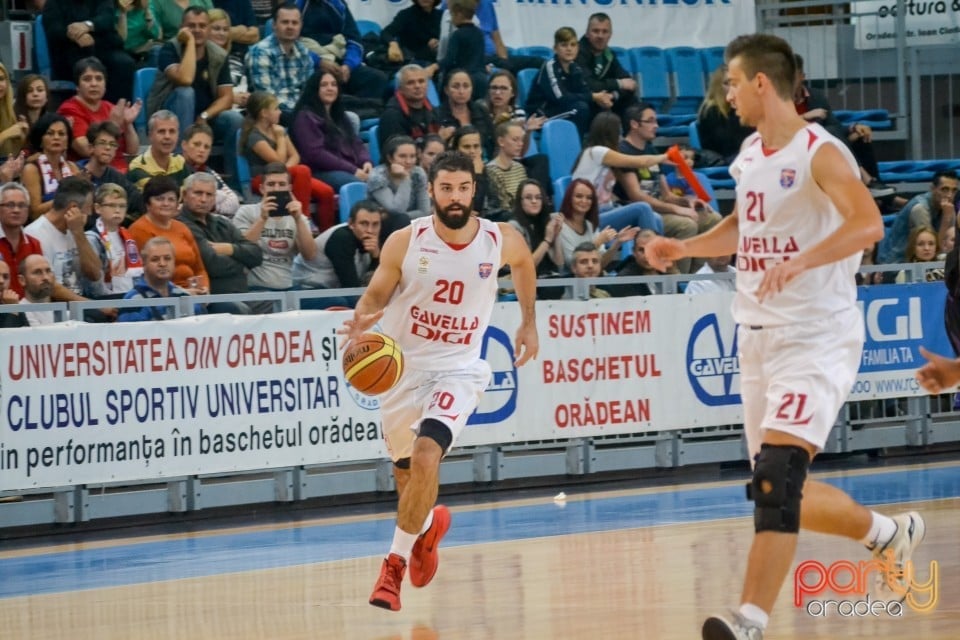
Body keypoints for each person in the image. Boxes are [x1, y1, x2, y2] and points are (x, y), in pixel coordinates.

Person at [644, 34, 924, 640]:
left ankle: (749, 621)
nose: (727, 93)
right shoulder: (750, 153)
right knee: (777, 487)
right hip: (757, 338)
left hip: (815, 335)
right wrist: (686, 246)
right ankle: (887, 533)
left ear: (761, 84)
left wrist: (802, 261)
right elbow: (744, 228)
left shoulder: (821, 153)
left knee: (774, 479)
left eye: (732, 82)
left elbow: (869, 224)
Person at [339, 150, 538, 612]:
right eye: (446, 188)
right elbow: (376, 293)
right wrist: (360, 323)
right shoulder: (405, 242)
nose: (455, 197)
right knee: (408, 478)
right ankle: (425, 529)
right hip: (403, 370)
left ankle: (392, 568)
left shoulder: (498, 239)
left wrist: (529, 321)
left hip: (459, 369)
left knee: (428, 457)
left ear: (474, 190)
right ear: (431, 190)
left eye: (463, 188)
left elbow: (525, 263)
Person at [148, 5, 244, 173]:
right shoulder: (170, 49)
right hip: (170, 115)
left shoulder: (218, 55)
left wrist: (204, 116)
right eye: (191, 26)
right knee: (186, 93)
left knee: (234, 119)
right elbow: (185, 79)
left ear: (208, 29)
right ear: (182, 28)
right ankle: (180, 168)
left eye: (202, 26)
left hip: (203, 118)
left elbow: (227, 98)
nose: (197, 30)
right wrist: (191, 43)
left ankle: (236, 182)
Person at [241, 91, 336, 230]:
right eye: (276, 109)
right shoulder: (254, 136)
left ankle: (326, 233)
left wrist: (286, 172)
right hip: (262, 179)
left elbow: (295, 156)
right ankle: (304, 221)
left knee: (326, 192)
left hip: (285, 175)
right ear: (264, 113)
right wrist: (280, 138)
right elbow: (277, 162)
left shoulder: (278, 130)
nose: (280, 112)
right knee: (302, 170)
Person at [232, 162, 319, 309]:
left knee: (336, 301)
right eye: (271, 184)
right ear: (262, 188)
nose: (276, 189)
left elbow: (310, 255)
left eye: (281, 184)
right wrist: (262, 219)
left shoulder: (298, 217)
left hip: (289, 288)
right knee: (275, 307)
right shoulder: (246, 212)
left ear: (289, 188)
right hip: (256, 289)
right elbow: (241, 250)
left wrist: (298, 219)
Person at [177, 172, 262, 311]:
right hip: (213, 299)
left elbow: (256, 255)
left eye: (209, 195)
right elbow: (212, 264)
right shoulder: (181, 225)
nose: (203, 199)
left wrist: (230, 249)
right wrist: (243, 264)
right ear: (185, 195)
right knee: (242, 309)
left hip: (242, 294)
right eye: (198, 193)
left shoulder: (222, 223)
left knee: (281, 308)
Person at [291, 70, 373, 193]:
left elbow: (356, 142)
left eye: (333, 85)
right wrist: (353, 170)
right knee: (356, 184)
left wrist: (366, 161)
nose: (330, 88)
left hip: (348, 168)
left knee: (382, 178)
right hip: (321, 171)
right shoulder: (305, 117)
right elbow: (316, 155)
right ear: (315, 89)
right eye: (324, 85)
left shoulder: (339, 115)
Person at [42, 0, 136, 104]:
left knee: (124, 63)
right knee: (88, 66)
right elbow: (53, 29)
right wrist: (76, 36)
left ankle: (119, 111)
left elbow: (107, 19)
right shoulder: (53, 3)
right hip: (69, 50)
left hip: (102, 46)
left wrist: (87, 25)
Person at [57, 57, 142, 171]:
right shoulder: (69, 109)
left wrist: (127, 124)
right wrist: (113, 125)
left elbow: (132, 150)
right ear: (77, 86)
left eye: (99, 79)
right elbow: (86, 150)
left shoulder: (110, 107)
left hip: (120, 171)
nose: (94, 84)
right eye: (87, 79)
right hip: (91, 173)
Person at [128, 175, 209, 291]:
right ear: (147, 203)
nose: (166, 204)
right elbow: (148, 275)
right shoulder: (138, 230)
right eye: (160, 199)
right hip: (164, 295)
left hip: (194, 292)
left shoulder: (182, 228)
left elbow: (199, 268)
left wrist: (205, 289)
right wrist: (182, 293)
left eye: (171, 199)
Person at [291, 199, 383, 301]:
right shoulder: (341, 238)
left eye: (375, 224)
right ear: (351, 224)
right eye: (364, 224)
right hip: (305, 290)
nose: (370, 230)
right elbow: (351, 289)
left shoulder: (372, 243)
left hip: (332, 291)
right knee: (343, 302)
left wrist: (376, 257)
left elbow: (369, 285)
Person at [526, 27, 607, 138]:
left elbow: (584, 91)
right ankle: (577, 147)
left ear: (578, 48)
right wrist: (592, 96)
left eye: (573, 45)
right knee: (580, 109)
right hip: (541, 116)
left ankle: (596, 146)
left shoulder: (575, 68)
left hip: (563, 110)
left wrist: (600, 98)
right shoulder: (549, 66)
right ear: (555, 49)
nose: (569, 49)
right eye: (564, 45)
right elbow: (561, 97)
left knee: (600, 109)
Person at [244, 3, 316, 125]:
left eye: (294, 23)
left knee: (350, 118)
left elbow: (310, 91)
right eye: (285, 22)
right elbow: (266, 99)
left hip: (300, 112)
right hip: (273, 115)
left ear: (300, 26)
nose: (290, 27)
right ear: (274, 25)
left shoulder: (303, 52)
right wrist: (300, 113)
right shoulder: (261, 52)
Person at [878, 170, 958, 264]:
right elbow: (933, 248)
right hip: (896, 265)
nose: (949, 195)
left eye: (954, 190)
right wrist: (946, 218)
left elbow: (948, 245)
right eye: (945, 189)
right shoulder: (920, 209)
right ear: (933, 188)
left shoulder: (947, 207)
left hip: (919, 262)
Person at [118, 236, 203, 320]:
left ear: (174, 262)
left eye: (167, 258)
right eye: (155, 259)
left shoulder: (183, 295)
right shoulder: (133, 299)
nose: (162, 264)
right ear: (144, 263)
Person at [84, 182, 144, 298]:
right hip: (106, 301)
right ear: (97, 208)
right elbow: (94, 282)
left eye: (122, 206)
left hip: (130, 297)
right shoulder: (91, 238)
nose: (117, 210)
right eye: (111, 205)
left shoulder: (127, 237)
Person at [575, 13, 636, 121]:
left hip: (605, 99)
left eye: (605, 31)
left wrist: (612, 95)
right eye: (596, 31)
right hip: (583, 100)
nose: (600, 36)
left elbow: (629, 83)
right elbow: (589, 84)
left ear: (610, 35)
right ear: (587, 33)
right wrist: (618, 84)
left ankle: (630, 138)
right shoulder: (576, 52)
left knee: (633, 105)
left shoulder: (609, 55)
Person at [78, 121, 145, 220]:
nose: (108, 148)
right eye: (102, 143)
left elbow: (137, 201)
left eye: (112, 144)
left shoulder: (117, 177)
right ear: (91, 148)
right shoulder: (76, 172)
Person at [21, 114, 81, 221]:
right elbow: (34, 213)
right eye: (50, 133)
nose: (56, 137)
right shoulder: (32, 169)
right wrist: (66, 198)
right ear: (40, 140)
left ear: (67, 142)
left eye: (61, 134)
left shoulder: (73, 168)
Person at [378, 64, 446, 149]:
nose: (417, 86)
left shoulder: (434, 110)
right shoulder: (392, 116)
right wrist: (439, 140)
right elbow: (399, 153)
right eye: (410, 83)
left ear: (427, 85)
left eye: (421, 81)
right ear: (400, 89)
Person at [697, 66, 754, 166]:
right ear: (717, 86)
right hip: (724, 157)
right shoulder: (711, 111)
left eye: (735, 83)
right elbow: (725, 144)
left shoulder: (743, 108)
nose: (732, 88)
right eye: (727, 83)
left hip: (744, 154)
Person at [181, 122, 240, 217]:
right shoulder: (174, 167)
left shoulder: (209, 172)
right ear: (184, 145)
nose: (202, 150)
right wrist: (218, 196)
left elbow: (234, 203)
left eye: (206, 147)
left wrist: (210, 207)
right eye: (197, 144)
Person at [507, 178, 563, 277]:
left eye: (538, 197)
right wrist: (547, 241)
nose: (534, 201)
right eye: (529, 197)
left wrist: (555, 236)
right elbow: (525, 268)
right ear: (520, 201)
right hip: (526, 283)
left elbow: (559, 265)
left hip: (550, 279)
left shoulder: (548, 221)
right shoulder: (514, 227)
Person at [367, 135, 430, 220]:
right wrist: (406, 178)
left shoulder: (418, 174)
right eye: (402, 156)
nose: (408, 161)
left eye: (412, 156)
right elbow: (397, 210)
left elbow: (425, 212)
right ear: (390, 158)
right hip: (380, 226)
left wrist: (393, 216)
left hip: (409, 222)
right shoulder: (377, 177)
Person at [127, 110, 193, 190]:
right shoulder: (138, 167)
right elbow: (160, 198)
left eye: (172, 131)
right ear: (150, 135)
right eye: (161, 131)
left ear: (178, 135)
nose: (167, 136)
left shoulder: (180, 162)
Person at [435, 70, 494, 159]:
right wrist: (440, 139)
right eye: (456, 86)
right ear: (446, 90)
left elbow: (493, 142)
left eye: (466, 86)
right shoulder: (436, 114)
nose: (461, 91)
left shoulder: (481, 111)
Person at [0, 183, 44, 298]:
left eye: (22, 205)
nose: (16, 210)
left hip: (29, 309)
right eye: (10, 205)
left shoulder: (34, 244)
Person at [437, 0, 486, 98]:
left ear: (458, 14)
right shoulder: (479, 33)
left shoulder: (457, 35)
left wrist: (434, 67)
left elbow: (449, 60)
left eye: (452, 14)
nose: (451, 18)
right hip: (481, 79)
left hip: (464, 81)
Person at [207, 9, 249, 110]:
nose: (222, 33)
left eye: (225, 29)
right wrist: (231, 97)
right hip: (218, 110)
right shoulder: (202, 58)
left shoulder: (236, 58)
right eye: (216, 29)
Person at [17, 254, 57, 325]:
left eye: (48, 271)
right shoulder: (18, 313)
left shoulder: (61, 312)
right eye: (37, 272)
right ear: (22, 280)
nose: (45, 277)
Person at [0, 259, 29, 327]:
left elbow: (28, 334)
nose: (1, 281)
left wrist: (13, 307)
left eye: (5, 277)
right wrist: (12, 310)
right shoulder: (12, 305)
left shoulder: (12, 303)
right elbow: (6, 337)